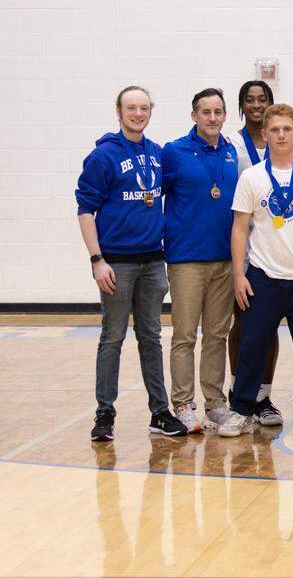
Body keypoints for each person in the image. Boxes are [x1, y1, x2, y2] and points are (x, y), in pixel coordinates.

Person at [76, 86, 187, 441]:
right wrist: (97, 259)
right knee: (112, 337)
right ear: (119, 111)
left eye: (143, 108)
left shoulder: (157, 154)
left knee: (151, 337)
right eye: (131, 108)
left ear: (150, 111)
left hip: (153, 261)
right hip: (117, 264)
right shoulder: (103, 156)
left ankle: (159, 412)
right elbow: (85, 210)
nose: (137, 114)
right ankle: (105, 412)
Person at [219, 104, 293, 438]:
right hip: (262, 278)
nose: (281, 135)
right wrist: (239, 275)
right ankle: (241, 409)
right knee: (252, 346)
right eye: (275, 130)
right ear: (265, 134)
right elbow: (239, 228)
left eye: (287, 129)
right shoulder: (251, 177)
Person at [161, 88, 240, 433]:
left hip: (224, 259)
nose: (212, 117)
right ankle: (182, 403)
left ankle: (215, 402)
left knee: (217, 335)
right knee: (184, 334)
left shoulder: (231, 152)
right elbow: (153, 197)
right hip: (186, 259)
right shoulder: (174, 152)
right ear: (194, 116)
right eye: (205, 112)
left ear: (225, 116)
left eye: (218, 111)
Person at [227, 80, 284, 427]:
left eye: (262, 99)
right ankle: (238, 392)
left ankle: (263, 394)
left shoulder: (283, 142)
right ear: (242, 105)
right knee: (243, 323)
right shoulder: (233, 144)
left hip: (278, 246)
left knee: (270, 326)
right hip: (245, 246)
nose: (256, 105)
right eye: (249, 100)